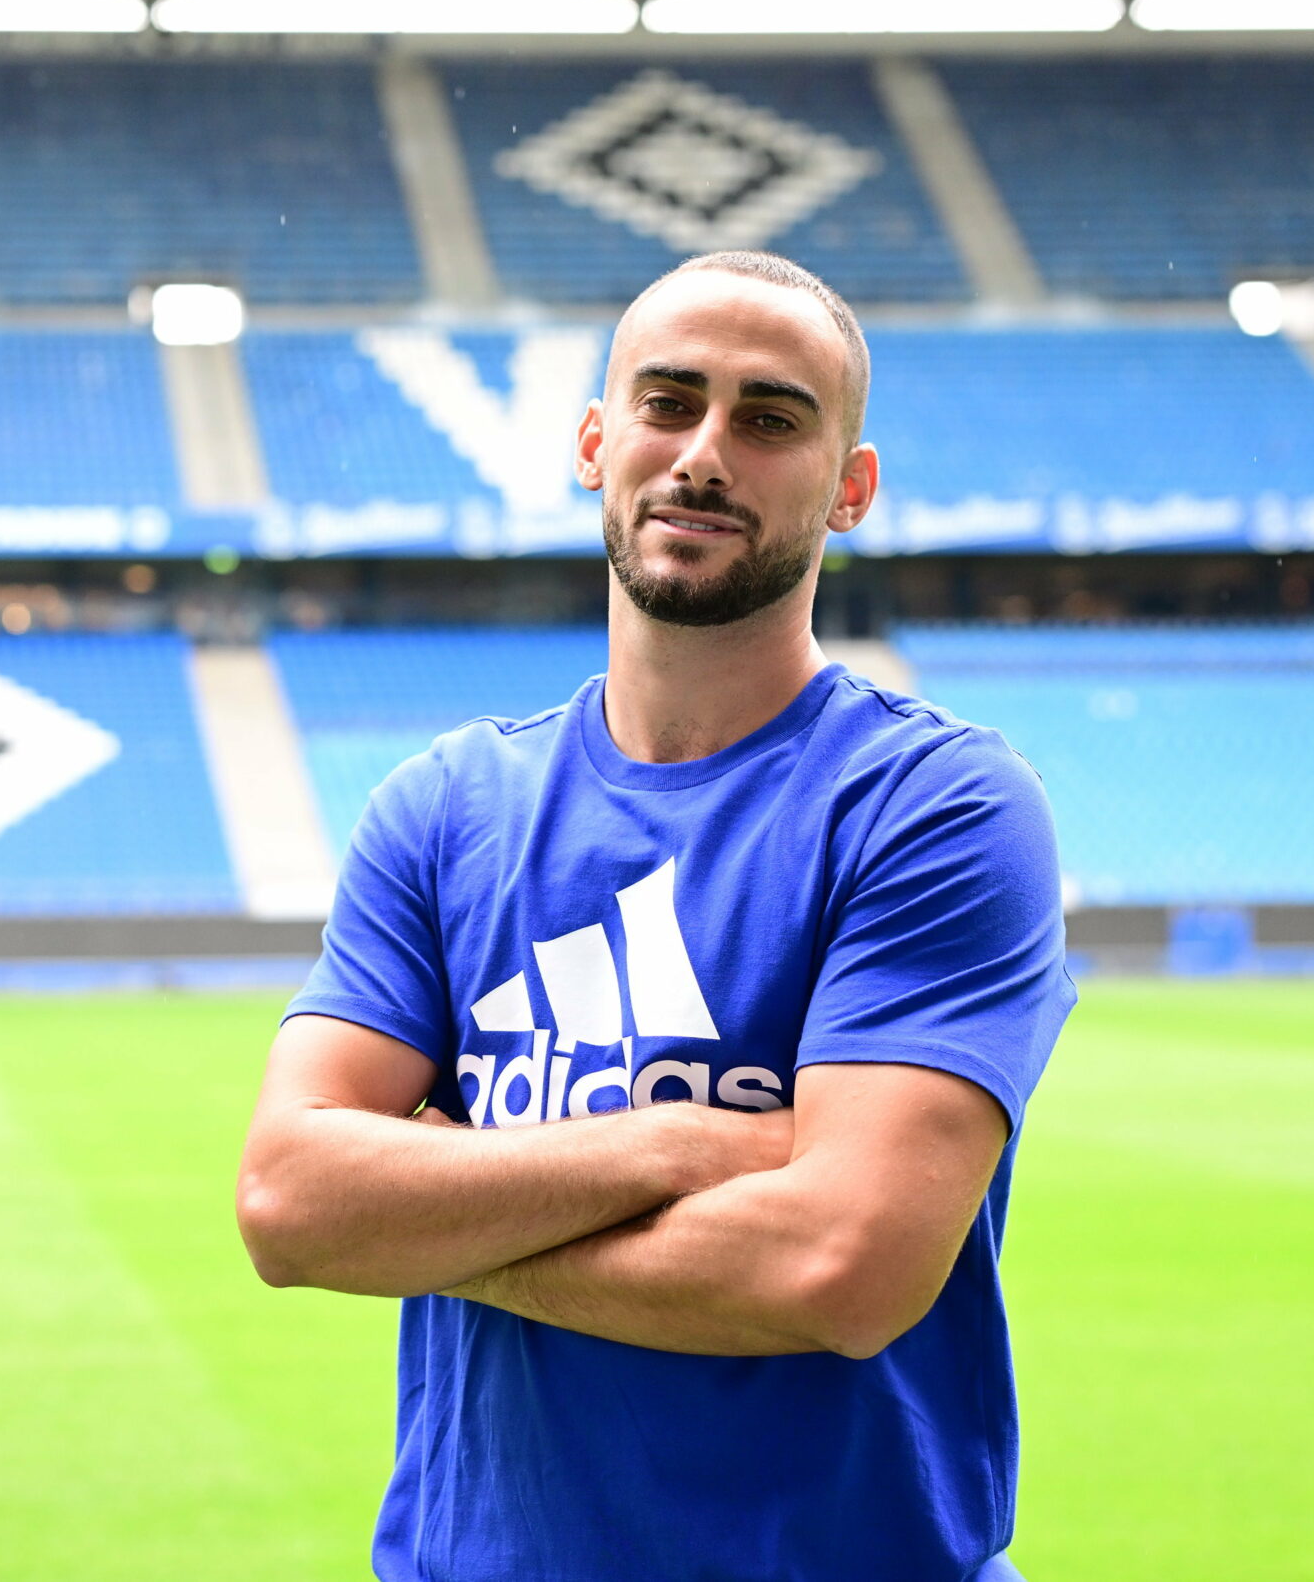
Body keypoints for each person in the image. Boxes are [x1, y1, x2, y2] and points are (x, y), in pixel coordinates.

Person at [236, 250, 1073, 1582]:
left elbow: (841, 1267)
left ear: (850, 487)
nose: (704, 453)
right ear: (594, 441)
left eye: (771, 418)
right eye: (668, 402)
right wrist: (682, 1144)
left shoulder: (937, 806)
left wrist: (449, 1226)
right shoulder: (445, 808)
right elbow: (290, 1201)